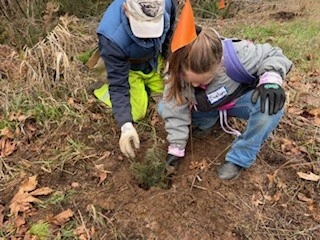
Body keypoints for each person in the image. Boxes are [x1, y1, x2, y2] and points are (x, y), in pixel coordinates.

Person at [159, 26, 293, 180]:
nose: (195, 86)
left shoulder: (239, 55)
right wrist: (175, 149)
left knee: (270, 105)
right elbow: (175, 111)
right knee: (165, 107)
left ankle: (239, 158)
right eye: (191, 82)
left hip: (236, 102)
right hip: (205, 106)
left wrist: (271, 80)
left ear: (218, 64)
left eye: (202, 80)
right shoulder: (177, 70)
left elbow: (273, 54)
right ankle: (207, 122)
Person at [95, 0, 177, 159]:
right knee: (136, 112)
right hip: (130, 68)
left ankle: (146, 85)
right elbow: (119, 86)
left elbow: (169, 33)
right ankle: (102, 90)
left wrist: (168, 60)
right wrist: (125, 126)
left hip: (154, 60)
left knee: (172, 93)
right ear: (126, 10)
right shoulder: (111, 37)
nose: (149, 36)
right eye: (143, 29)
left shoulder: (166, 4)